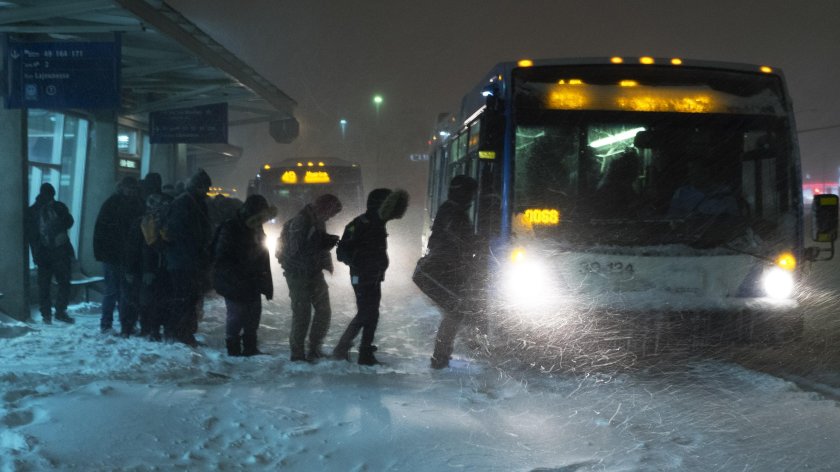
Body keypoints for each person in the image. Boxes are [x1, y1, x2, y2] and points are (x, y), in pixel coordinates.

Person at [332, 188, 409, 365]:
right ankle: (343, 349)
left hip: (372, 276)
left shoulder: (376, 222)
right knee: (366, 312)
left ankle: (364, 352)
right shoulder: (361, 223)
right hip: (362, 276)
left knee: (371, 313)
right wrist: (360, 264)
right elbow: (342, 251)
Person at [425, 175, 486, 369]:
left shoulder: (451, 209)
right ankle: (440, 356)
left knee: (456, 311)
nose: (473, 198)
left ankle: (443, 354)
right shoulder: (453, 211)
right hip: (449, 270)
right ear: (462, 192)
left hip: (450, 269)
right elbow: (458, 239)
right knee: (454, 313)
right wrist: (478, 242)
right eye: (471, 193)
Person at [277, 194, 343, 362]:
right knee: (302, 313)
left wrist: (325, 255)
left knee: (324, 311)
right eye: (331, 213)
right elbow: (295, 252)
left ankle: (314, 348)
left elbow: (317, 247)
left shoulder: (318, 221)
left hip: (313, 273)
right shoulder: (301, 221)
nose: (330, 217)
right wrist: (321, 243)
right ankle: (297, 354)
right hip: (298, 275)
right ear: (324, 208)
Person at [213, 195, 277, 356]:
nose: (261, 221)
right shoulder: (231, 227)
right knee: (236, 315)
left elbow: (262, 255)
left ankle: (250, 347)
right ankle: (233, 349)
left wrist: (264, 281)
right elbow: (222, 256)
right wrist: (239, 272)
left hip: (252, 279)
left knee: (253, 314)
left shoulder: (255, 226)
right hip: (235, 280)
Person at [160, 169, 214, 346]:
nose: (206, 191)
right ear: (198, 186)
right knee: (185, 298)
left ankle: (181, 332)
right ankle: (181, 333)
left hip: (186, 260)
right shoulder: (185, 203)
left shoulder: (191, 202)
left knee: (187, 298)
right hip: (184, 260)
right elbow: (179, 232)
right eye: (205, 187)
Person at [93, 177, 144, 333]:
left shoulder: (111, 204)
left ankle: (110, 323)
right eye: (130, 188)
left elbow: (101, 230)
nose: (131, 191)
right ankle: (122, 323)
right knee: (122, 291)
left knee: (114, 290)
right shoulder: (137, 204)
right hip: (120, 255)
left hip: (114, 254)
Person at [25, 183, 76, 324]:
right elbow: (69, 222)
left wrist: (35, 253)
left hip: (45, 253)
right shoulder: (55, 207)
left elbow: (31, 235)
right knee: (61, 283)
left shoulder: (33, 211)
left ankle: (47, 313)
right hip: (58, 252)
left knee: (45, 284)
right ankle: (59, 311)